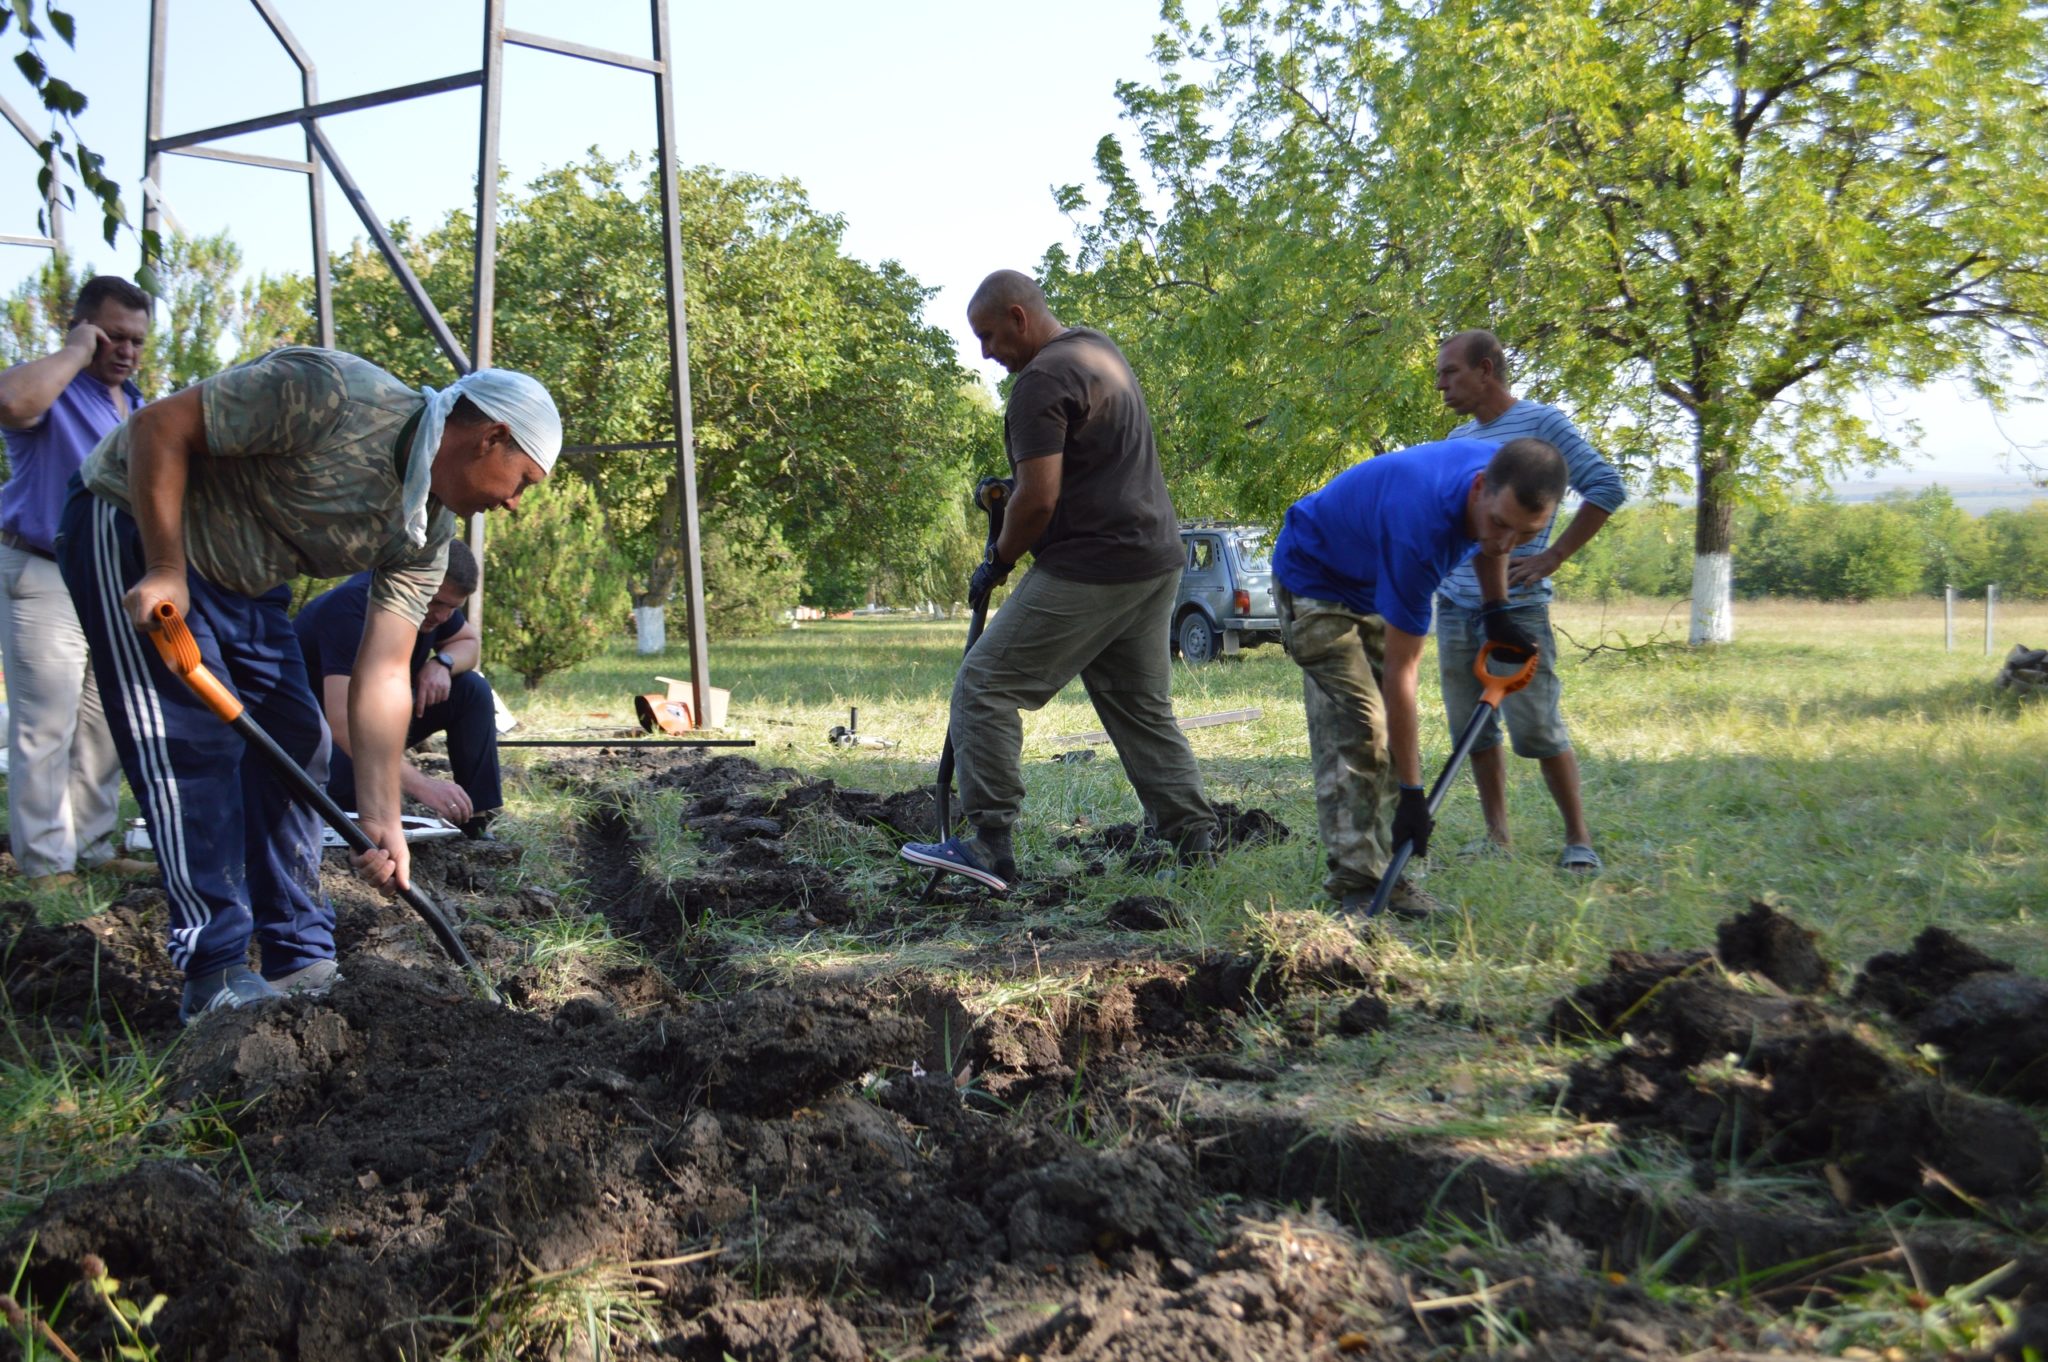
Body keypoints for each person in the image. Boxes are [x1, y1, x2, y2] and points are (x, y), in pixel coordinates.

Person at [57, 346, 558, 1022]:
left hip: (247, 581)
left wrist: (382, 818)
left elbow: (383, 673)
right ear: (490, 436)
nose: (517, 503)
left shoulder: (425, 533)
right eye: (523, 479)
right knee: (193, 749)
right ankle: (215, 969)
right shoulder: (333, 394)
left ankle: (299, 953)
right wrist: (165, 564)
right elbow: (159, 428)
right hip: (135, 531)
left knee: (295, 741)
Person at [900, 270, 1218, 891]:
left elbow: (1040, 500)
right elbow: (1074, 474)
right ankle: (1193, 841)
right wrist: (1009, 493)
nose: (986, 354)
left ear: (1019, 316)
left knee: (985, 685)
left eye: (988, 337)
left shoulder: (1039, 380)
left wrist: (998, 558)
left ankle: (989, 844)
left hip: (1094, 565)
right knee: (1141, 708)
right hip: (1153, 560)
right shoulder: (1096, 350)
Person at [1272, 437, 1566, 918]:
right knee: (1362, 727)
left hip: (1371, 579)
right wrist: (1413, 795)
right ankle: (1357, 885)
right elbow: (1402, 680)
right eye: (1500, 525)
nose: (1505, 545)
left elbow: (1490, 540)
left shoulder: (1502, 479)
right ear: (1478, 488)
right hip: (1314, 577)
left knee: (1386, 735)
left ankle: (1393, 874)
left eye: (1525, 536)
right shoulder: (1422, 530)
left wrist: (1496, 609)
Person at [1433, 330, 1627, 872]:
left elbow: (1606, 487)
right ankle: (1498, 836)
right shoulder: (1455, 439)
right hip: (1454, 605)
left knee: (1536, 725)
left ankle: (1578, 838)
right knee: (1470, 725)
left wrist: (1553, 555)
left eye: (1451, 372)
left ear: (1486, 369)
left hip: (1517, 606)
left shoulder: (1544, 424)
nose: (1441, 384)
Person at [0, 276, 158, 888]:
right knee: (46, 724)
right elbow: (9, 403)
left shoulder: (138, 407)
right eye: (113, 336)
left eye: (137, 341)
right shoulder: (53, 391)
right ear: (85, 328)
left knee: (103, 722)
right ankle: (44, 864)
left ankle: (90, 844)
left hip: (112, 583)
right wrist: (72, 353)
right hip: (43, 570)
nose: (126, 351)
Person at [294, 538, 502, 838]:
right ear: (414, 581)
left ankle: (476, 821)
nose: (442, 616)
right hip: (318, 739)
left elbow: (469, 644)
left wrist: (442, 663)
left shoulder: (434, 605)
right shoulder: (353, 608)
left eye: (452, 608)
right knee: (354, 790)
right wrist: (422, 785)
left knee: (471, 689)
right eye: (437, 603)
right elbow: (341, 723)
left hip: (381, 720)